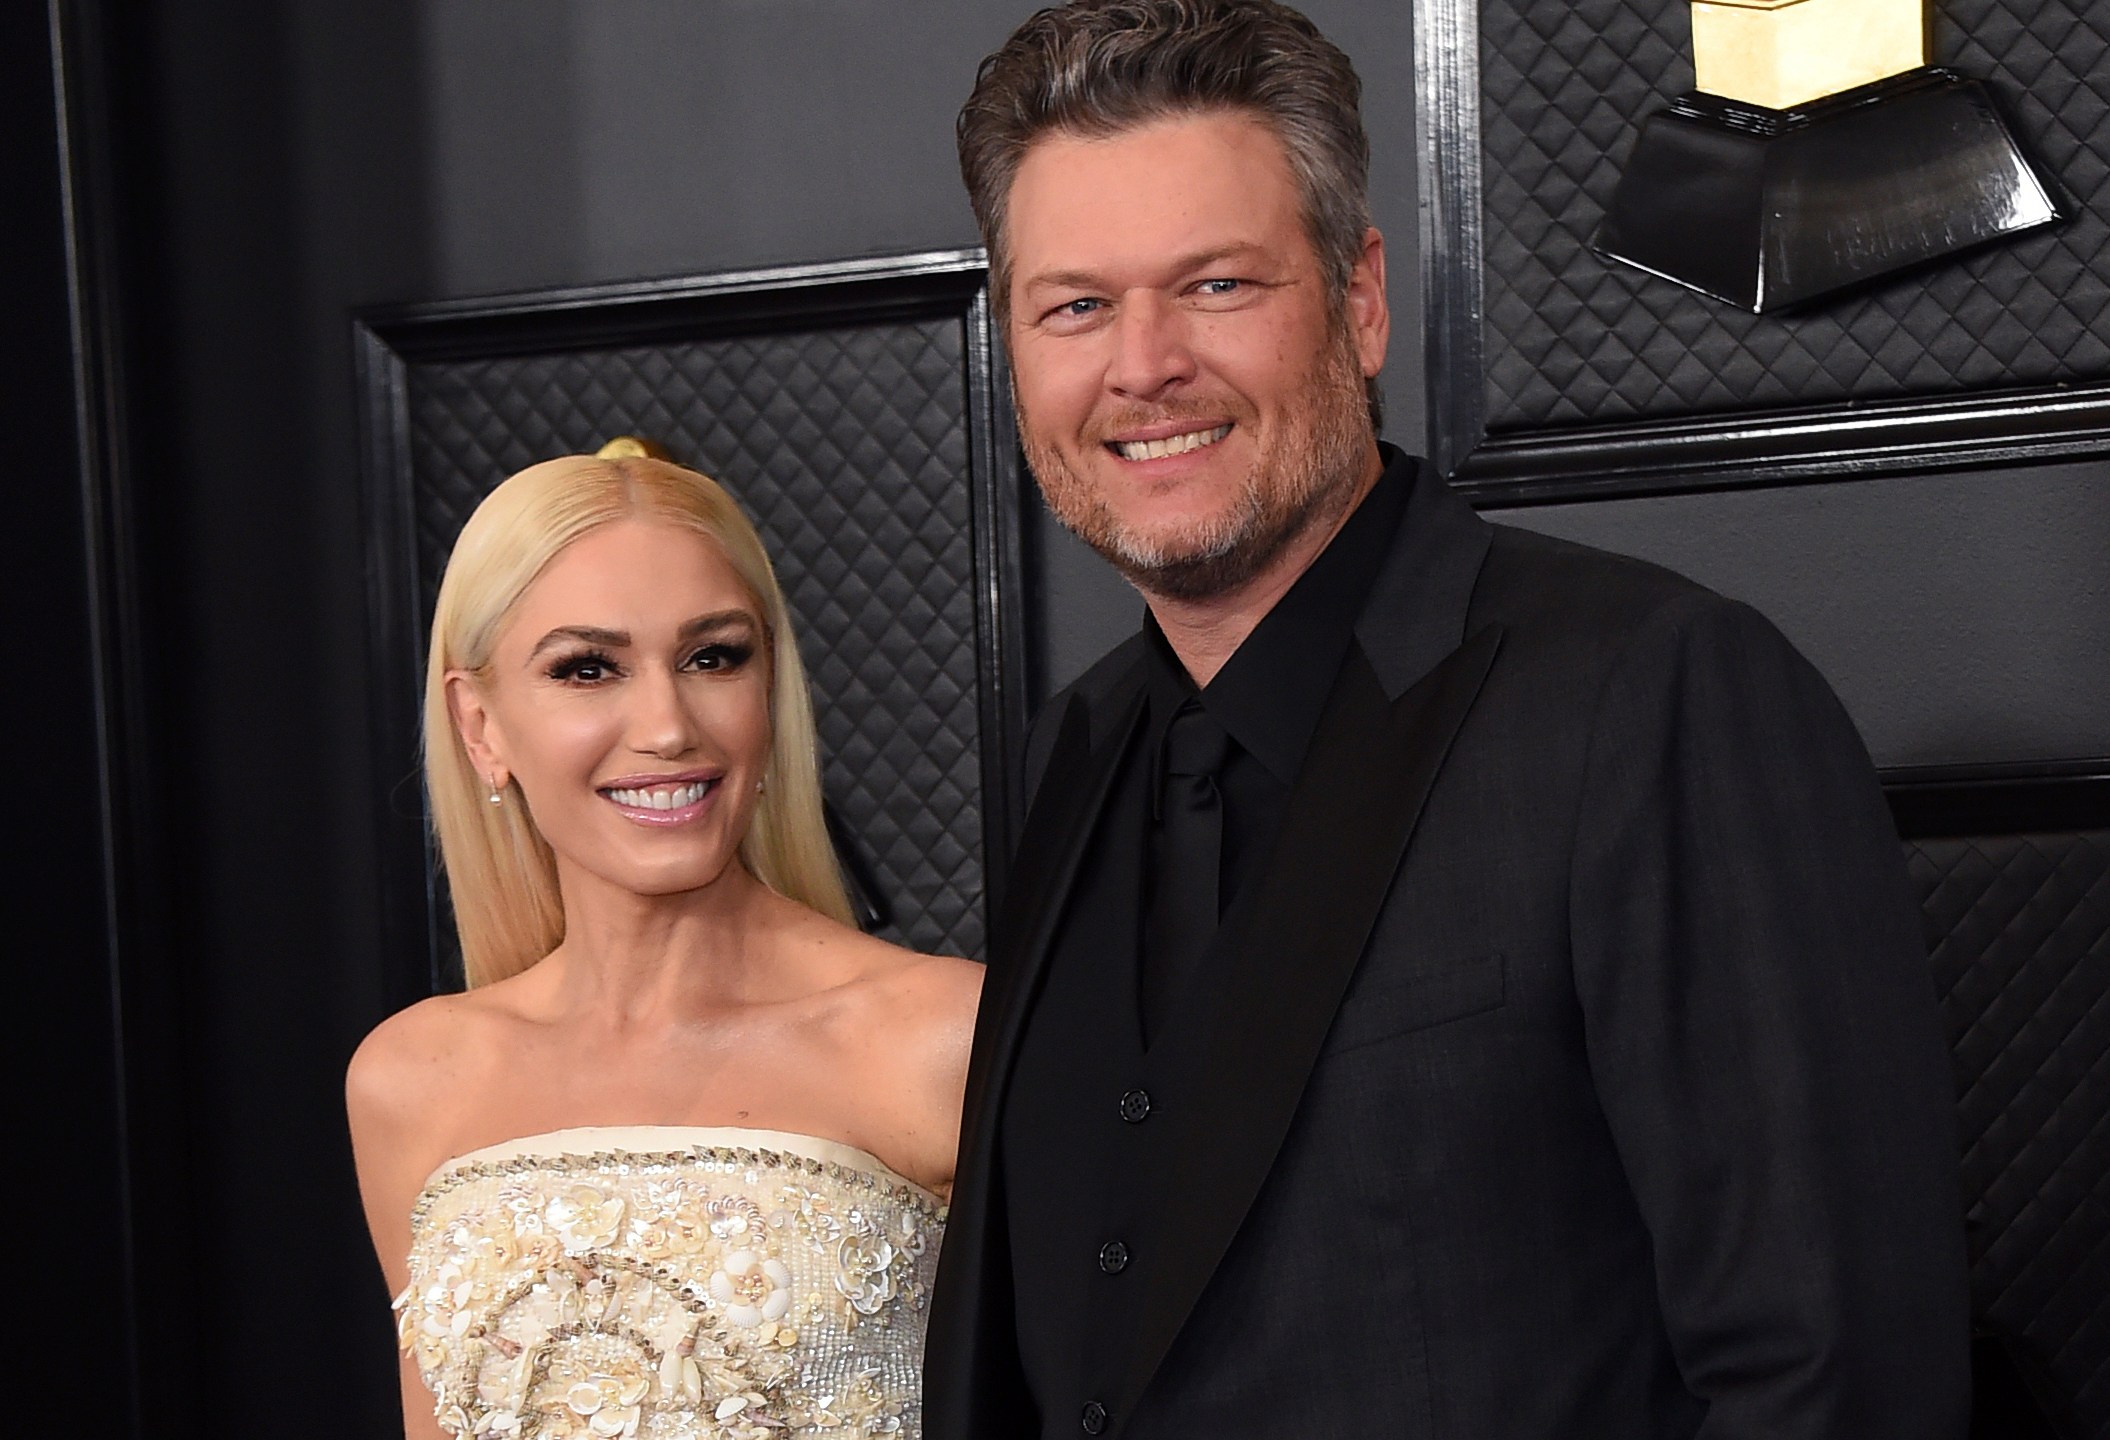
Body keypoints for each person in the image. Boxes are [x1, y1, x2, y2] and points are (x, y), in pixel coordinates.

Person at [924, 3, 1970, 1438]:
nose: (1142, 363)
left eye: (1217, 285)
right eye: (1074, 306)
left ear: (1360, 304)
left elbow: (1838, 1384)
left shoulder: (1657, 695)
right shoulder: (1075, 750)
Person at [348, 455, 980, 1440]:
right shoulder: (411, 1080)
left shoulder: (943, 1036)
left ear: (769, 688)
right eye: (587, 668)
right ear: (480, 726)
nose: (666, 727)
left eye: (712, 657)